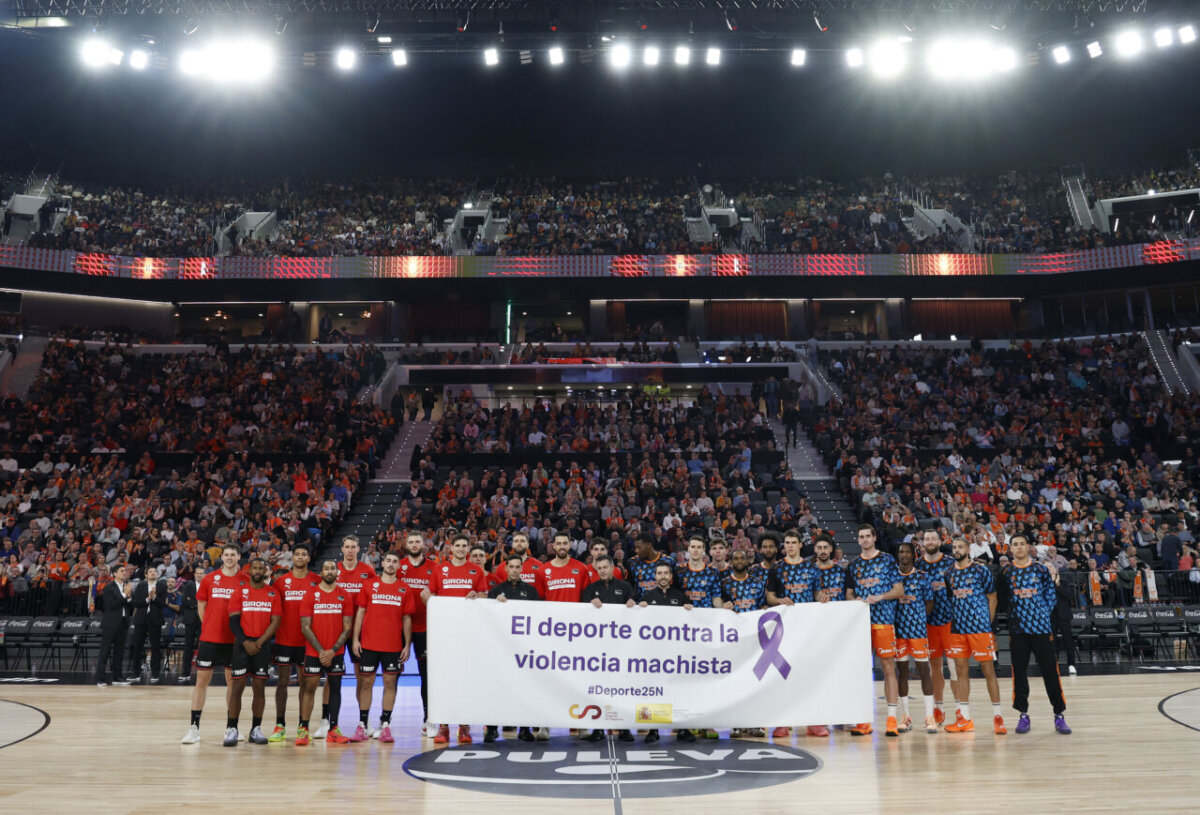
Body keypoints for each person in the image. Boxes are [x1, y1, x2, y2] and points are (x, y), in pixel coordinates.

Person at [421, 532, 489, 744]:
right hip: (443, 633)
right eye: (457, 545)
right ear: (450, 548)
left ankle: (464, 726)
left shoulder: (476, 571)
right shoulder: (439, 570)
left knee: (465, 680)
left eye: (464, 546)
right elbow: (430, 599)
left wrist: (477, 597)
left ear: (468, 549)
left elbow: (485, 597)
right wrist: (426, 599)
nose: (460, 549)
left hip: (467, 633)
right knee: (443, 680)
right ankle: (443, 726)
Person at [1000, 535, 1071, 735]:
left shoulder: (1040, 569)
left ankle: (1059, 715)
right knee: (1020, 675)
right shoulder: (1005, 572)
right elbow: (1003, 598)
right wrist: (1017, 615)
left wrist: (1039, 614)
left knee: (1051, 673)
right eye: (1015, 544)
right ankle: (1023, 715)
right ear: (1010, 549)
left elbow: (1050, 596)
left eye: (1022, 543)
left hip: (1041, 629)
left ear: (1028, 547)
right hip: (1018, 631)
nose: (1019, 547)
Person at [765, 529, 827, 739]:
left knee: (810, 675)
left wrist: (822, 598)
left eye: (793, 542)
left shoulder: (812, 568)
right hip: (784, 629)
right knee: (784, 676)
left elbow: (817, 593)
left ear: (801, 545)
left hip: (808, 629)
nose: (790, 546)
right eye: (787, 543)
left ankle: (814, 723)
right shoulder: (777, 569)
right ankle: (783, 722)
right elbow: (770, 597)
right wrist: (781, 601)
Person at [350, 552, 417, 743]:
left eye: (395, 561)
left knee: (390, 684)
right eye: (388, 560)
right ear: (383, 563)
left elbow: (406, 619)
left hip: (393, 646)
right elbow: (361, 612)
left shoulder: (405, 589)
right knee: (366, 684)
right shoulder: (369, 585)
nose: (391, 564)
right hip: (369, 645)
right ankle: (362, 725)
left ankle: (385, 724)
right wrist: (355, 639)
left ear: (398, 566)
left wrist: (407, 645)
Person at [846, 524, 904, 737]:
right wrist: (856, 600)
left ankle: (891, 718)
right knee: (862, 670)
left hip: (884, 621)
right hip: (861, 624)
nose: (864, 540)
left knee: (888, 666)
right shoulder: (853, 565)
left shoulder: (887, 560)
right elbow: (848, 594)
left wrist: (879, 597)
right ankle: (864, 720)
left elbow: (899, 590)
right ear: (858, 539)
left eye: (868, 536)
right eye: (861, 537)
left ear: (874, 537)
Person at [318, 535, 377, 740]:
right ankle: (325, 720)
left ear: (359, 550)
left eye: (354, 547)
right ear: (342, 549)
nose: (350, 550)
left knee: (362, 678)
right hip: (336, 631)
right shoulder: (334, 571)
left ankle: (363, 721)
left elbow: (371, 599)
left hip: (359, 633)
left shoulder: (367, 571)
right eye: (347, 547)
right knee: (331, 679)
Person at [182, 544, 242, 745]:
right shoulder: (209, 579)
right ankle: (194, 728)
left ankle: (231, 728)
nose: (229, 557)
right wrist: (209, 626)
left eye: (233, 554)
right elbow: (202, 606)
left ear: (238, 557)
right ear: (222, 557)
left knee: (233, 685)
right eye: (226, 555)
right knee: (201, 683)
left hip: (234, 640)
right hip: (210, 639)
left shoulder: (246, 581)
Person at [945, 536, 1006, 735]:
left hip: (980, 629)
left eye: (960, 546)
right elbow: (950, 599)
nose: (957, 550)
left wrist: (986, 624)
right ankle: (965, 718)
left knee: (988, 671)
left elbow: (993, 598)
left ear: (968, 549)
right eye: (954, 547)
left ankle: (998, 717)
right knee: (961, 671)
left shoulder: (981, 570)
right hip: (958, 629)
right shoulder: (949, 573)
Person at [295, 560, 354, 746]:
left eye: (333, 568)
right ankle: (303, 729)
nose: (330, 571)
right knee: (309, 688)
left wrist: (332, 651)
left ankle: (333, 729)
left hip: (336, 652)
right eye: (326, 568)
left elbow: (347, 628)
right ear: (320, 572)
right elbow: (305, 627)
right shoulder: (310, 594)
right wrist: (322, 651)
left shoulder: (345, 595)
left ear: (337, 572)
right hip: (315, 652)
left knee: (335, 688)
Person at [579, 554, 636, 743]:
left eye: (606, 567)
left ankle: (625, 728)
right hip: (598, 649)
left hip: (622, 648)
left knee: (623, 688)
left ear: (613, 568)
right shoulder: (590, 590)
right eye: (599, 568)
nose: (602, 571)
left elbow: (636, 613)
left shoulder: (625, 587)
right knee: (598, 689)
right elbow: (582, 616)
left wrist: (632, 605)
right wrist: (589, 606)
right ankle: (597, 728)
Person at [486, 552, 543, 743]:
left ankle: (524, 728)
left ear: (522, 569)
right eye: (511, 566)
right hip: (500, 648)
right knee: (497, 689)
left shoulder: (531, 591)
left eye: (518, 567)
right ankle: (492, 729)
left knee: (524, 688)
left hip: (524, 649)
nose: (514, 570)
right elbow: (487, 617)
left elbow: (538, 618)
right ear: (506, 568)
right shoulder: (496, 591)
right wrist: (496, 605)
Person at [226, 557, 282, 747]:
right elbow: (233, 621)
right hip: (242, 646)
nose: (258, 571)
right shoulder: (239, 592)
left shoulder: (273, 593)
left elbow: (275, 621)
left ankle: (255, 729)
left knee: (260, 688)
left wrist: (259, 642)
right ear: (249, 570)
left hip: (262, 647)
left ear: (266, 572)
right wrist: (245, 642)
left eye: (262, 568)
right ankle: (231, 729)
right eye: (255, 568)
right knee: (237, 688)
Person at [268, 546, 321, 743]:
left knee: (305, 685)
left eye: (303, 554)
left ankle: (302, 726)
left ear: (309, 557)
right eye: (296, 554)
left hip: (307, 642)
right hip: (284, 640)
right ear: (293, 558)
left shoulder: (316, 581)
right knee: (281, 683)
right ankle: (279, 725)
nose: (300, 557)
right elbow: (274, 611)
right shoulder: (281, 582)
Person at [638, 562, 694, 743]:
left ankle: (683, 728)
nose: (662, 576)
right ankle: (653, 730)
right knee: (654, 690)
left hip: (676, 652)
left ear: (670, 576)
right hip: (654, 653)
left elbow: (692, 621)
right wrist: (641, 609)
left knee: (679, 689)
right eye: (659, 573)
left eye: (665, 573)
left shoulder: (680, 596)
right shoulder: (647, 596)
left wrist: (689, 610)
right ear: (655, 577)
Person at [397, 530, 437, 738]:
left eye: (417, 542)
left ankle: (428, 718)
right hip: (398, 628)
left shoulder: (434, 567)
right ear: (406, 544)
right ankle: (385, 721)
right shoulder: (398, 566)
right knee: (390, 675)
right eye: (411, 542)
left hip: (424, 628)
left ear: (424, 544)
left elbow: (440, 595)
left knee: (426, 675)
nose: (414, 545)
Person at [894, 541, 938, 734]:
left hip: (918, 632)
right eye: (900, 552)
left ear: (913, 555)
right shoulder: (891, 577)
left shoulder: (922, 577)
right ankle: (906, 717)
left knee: (924, 672)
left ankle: (930, 717)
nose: (903, 555)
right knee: (902, 674)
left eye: (906, 552)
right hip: (898, 633)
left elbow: (929, 603)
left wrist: (918, 619)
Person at [916, 528, 957, 726]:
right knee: (935, 669)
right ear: (922, 542)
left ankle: (960, 710)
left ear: (940, 542)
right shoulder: (918, 565)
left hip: (950, 622)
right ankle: (938, 710)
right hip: (928, 624)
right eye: (926, 538)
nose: (930, 541)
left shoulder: (951, 562)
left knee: (955, 668)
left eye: (933, 538)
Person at [92, 563, 133, 687]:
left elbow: (129, 605)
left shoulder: (126, 587)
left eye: (125, 571)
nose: (124, 573)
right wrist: (125, 595)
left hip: (123, 622)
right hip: (110, 623)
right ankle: (101, 678)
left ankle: (117, 677)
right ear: (115, 574)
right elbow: (111, 605)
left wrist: (129, 597)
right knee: (105, 651)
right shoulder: (109, 587)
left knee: (119, 651)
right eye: (122, 571)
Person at [128, 565, 167, 684]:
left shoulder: (161, 585)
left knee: (155, 646)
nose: (153, 573)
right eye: (150, 571)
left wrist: (154, 597)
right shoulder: (141, 585)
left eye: (155, 571)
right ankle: (136, 672)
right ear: (146, 575)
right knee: (138, 646)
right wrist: (147, 599)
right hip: (141, 619)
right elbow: (136, 603)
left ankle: (155, 673)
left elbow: (162, 603)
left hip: (155, 619)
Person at [176, 564, 202, 684]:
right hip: (190, 619)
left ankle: (203, 672)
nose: (199, 575)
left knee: (203, 646)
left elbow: (210, 602)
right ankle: (185, 673)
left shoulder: (209, 585)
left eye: (202, 573)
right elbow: (184, 600)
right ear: (194, 575)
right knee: (188, 646)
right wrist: (199, 605)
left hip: (203, 620)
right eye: (197, 573)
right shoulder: (188, 584)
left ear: (205, 575)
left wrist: (193, 603)